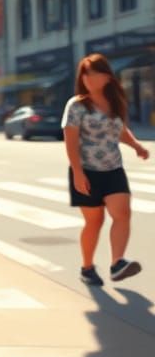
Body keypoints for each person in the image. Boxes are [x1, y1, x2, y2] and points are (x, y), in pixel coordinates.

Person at [62, 53, 150, 286]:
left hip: (113, 168)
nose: (88, 78)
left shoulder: (115, 103)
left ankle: (117, 263)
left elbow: (120, 130)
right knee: (95, 221)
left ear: (107, 77)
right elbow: (70, 141)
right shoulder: (77, 105)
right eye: (85, 73)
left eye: (93, 73)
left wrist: (136, 145)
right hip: (86, 171)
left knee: (122, 214)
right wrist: (78, 173)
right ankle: (87, 267)